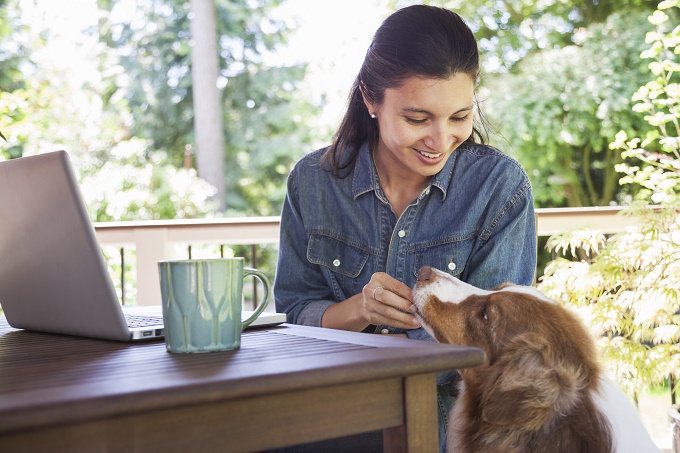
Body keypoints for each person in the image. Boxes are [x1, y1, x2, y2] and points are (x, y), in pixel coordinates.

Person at [273, 4, 537, 452]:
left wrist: (389, 351)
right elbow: (294, 315)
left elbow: (499, 345)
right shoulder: (313, 182)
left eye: (459, 116)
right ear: (370, 99)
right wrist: (360, 309)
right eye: (417, 119)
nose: (440, 141)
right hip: (325, 423)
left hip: (440, 431)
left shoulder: (500, 188)